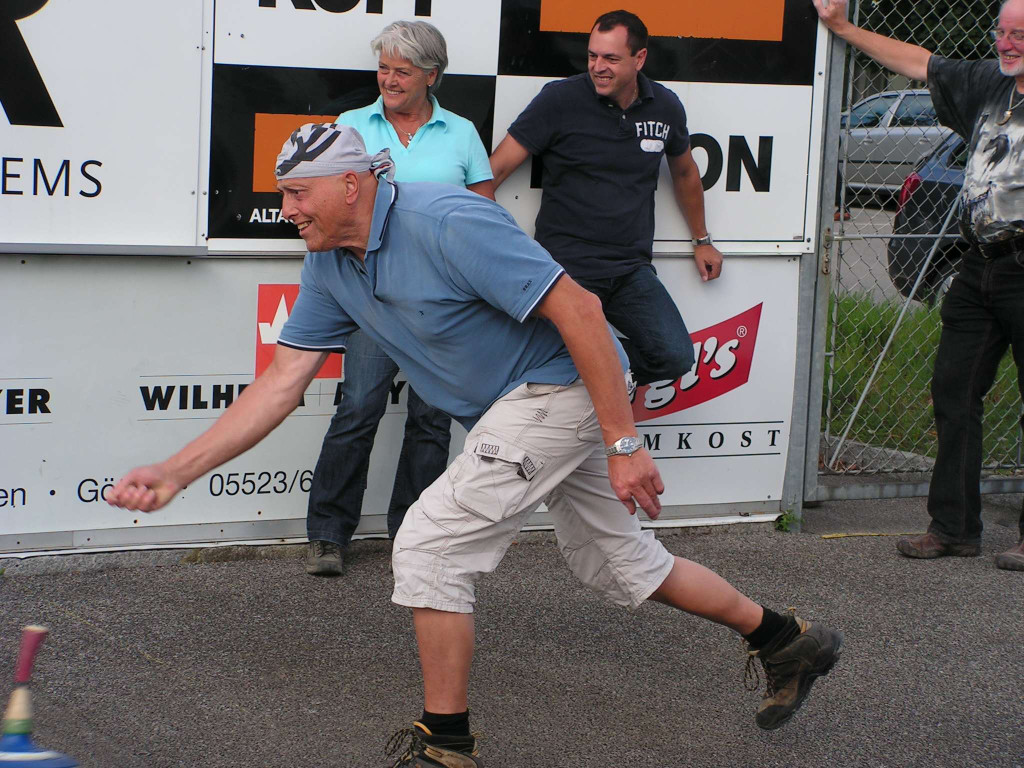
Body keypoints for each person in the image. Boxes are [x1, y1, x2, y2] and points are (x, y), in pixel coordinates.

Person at [108, 125, 843, 765]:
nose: (287, 208)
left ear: (352, 184)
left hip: (563, 385)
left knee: (430, 545)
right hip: (518, 408)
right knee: (619, 564)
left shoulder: (447, 220)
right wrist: (175, 471)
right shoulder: (330, 264)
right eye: (284, 193)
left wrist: (624, 443)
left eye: (299, 193)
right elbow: (280, 383)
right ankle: (785, 639)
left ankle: (445, 746)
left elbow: (582, 311)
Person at [812, 0, 1024, 571]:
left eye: (1019, 34)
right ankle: (954, 528)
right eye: (1001, 31)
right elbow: (920, 62)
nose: (1006, 43)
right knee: (953, 392)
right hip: (979, 265)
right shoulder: (989, 84)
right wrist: (844, 27)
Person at [305, 20, 496, 577]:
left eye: (402, 71)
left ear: (431, 76)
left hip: (443, 305)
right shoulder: (350, 126)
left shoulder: (461, 132)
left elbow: (483, 215)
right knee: (357, 409)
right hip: (371, 297)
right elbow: (323, 201)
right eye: (384, 68)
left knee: (432, 422)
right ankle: (327, 535)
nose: (389, 79)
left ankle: (411, 535)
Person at [489, 10, 723, 388]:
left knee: (674, 355)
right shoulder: (559, 99)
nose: (598, 67)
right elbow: (496, 170)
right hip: (565, 270)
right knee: (549, 358)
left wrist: (702, 240)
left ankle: (588, 371)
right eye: (592, 55)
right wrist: (483, 244)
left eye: (611, 58)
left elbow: (684, 173)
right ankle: (583, 372)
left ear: (639, 58)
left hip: (631, 271)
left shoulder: (665, 106)